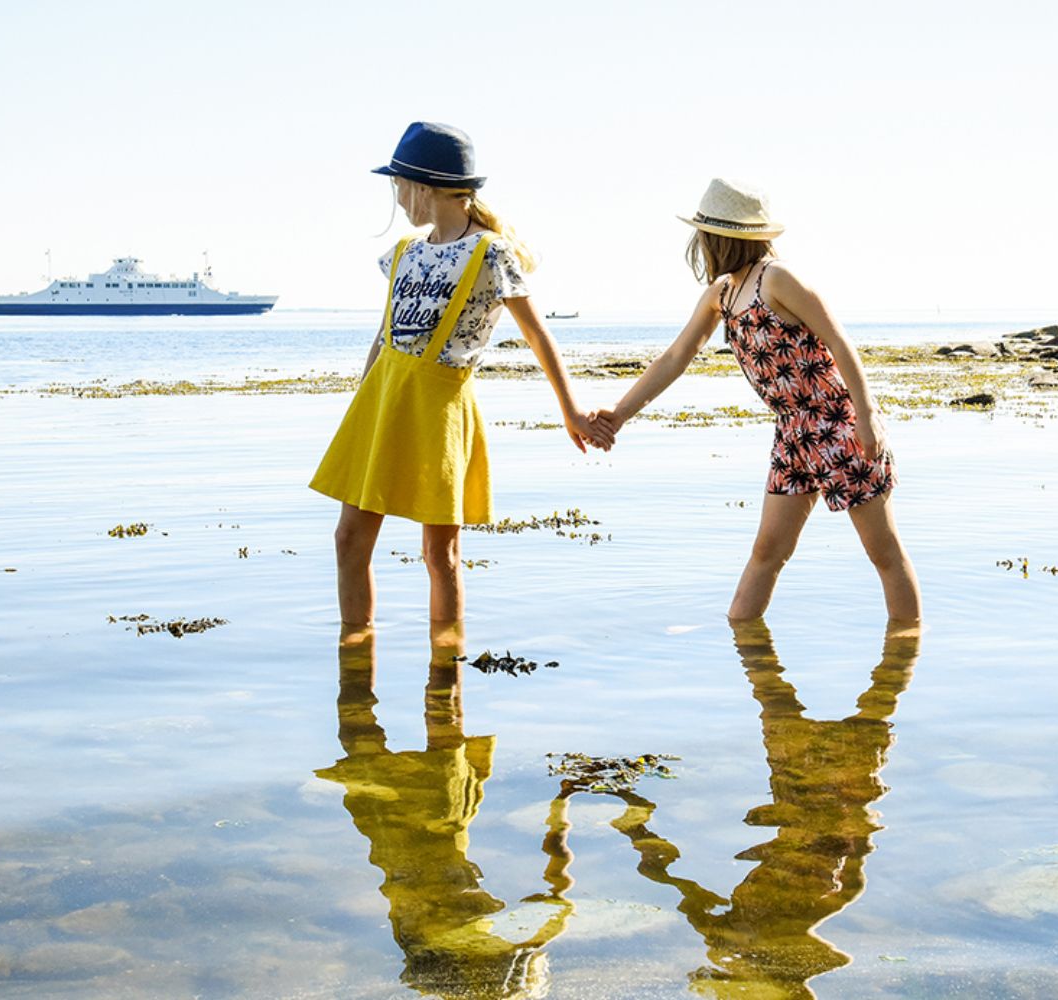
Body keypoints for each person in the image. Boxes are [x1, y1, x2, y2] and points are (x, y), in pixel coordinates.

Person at [311, 122, 609, 627]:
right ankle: (356, 660)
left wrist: (572, 412)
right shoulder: (405, 252)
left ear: (422, 187)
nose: (397, 195)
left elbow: (538, 336)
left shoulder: (491, 252)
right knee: (348, 539)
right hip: (383, 399)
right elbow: (384, 337)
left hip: (441, 406)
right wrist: (360, 410)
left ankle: (446, 677)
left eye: (398, 184)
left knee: (439, 554)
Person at [592, 179, 920, 622]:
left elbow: (841, 344)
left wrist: (868, 416)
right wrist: (620, 413)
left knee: (884, 553)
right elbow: (675, 356)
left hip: (837, 426)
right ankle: (747, 652)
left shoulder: (779, 279)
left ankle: (901, 668)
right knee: (768, 551)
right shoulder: (722, 294)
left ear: (718, 237)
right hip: (792, 434)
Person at [602, 620, 919, 998]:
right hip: (825, 808)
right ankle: (904, 634)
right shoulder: (774, 927)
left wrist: (640, 829)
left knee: (798, 699)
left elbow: (677, 883)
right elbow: (676, 883)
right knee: (859, 703)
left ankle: (903, 633)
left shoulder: (731, 936)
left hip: (807, 808)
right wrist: (639, 831)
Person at [314, 624, 578, 997]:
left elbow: (557, 898)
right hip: (425, 834)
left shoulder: (429, 949)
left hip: (421, 835)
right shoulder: (429, 948)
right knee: (411, 727)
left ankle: (370, 638)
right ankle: (426, 645)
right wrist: (559, 815)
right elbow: (555, 900)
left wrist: (561, 816)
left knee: (407, 726)